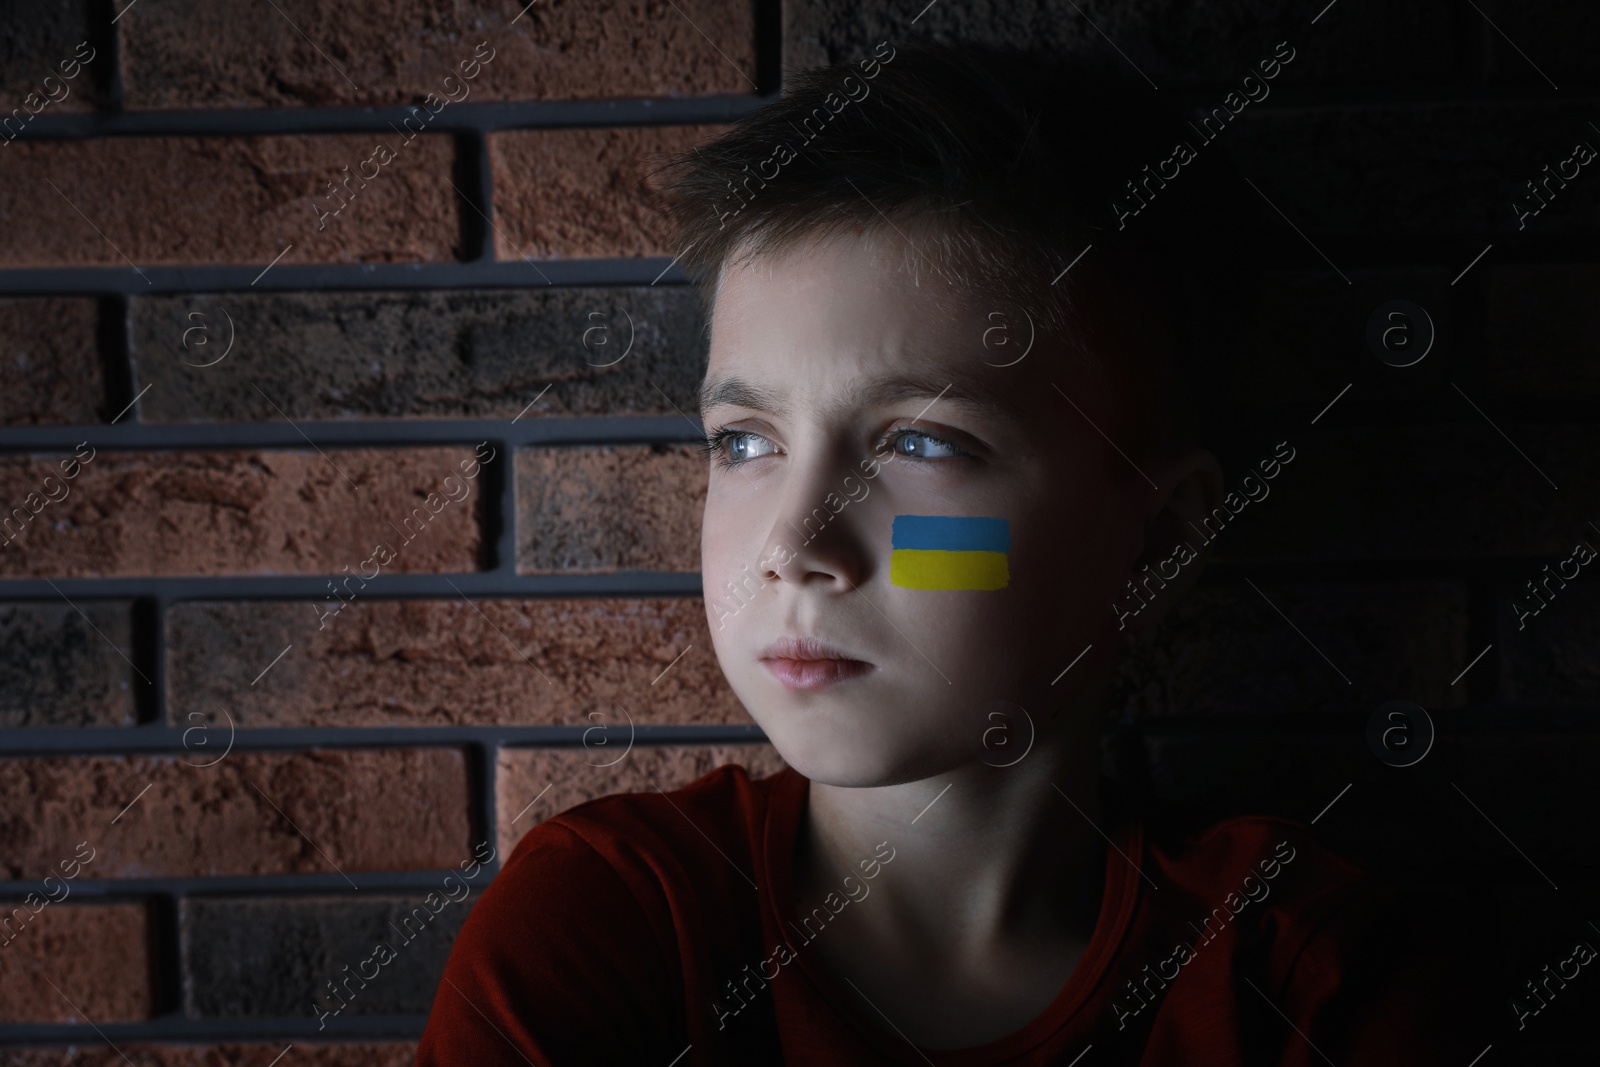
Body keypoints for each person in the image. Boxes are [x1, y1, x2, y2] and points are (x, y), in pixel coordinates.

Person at [415, 41, 1494, 1065]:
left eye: (920, 442)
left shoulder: (1305, 979)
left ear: (1156, 540)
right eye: (746, 442)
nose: (794, 547)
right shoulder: (608, 926)